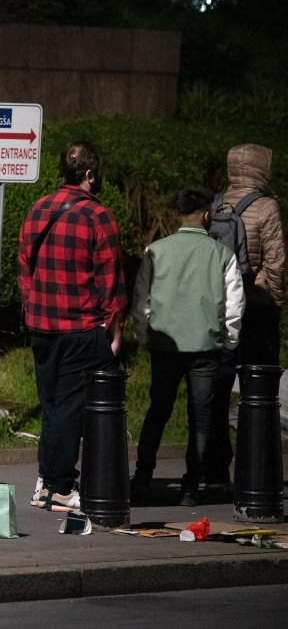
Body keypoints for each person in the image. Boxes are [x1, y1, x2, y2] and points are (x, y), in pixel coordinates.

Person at [17, 141, 126, 513]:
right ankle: (61, 486)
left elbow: (24, 271)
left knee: (52, 407)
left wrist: (33, 310)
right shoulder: (99, 216)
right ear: (90, 174)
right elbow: (110, 281)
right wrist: (114, 329)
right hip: (81, 326)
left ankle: (45, 482)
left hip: (41, 326)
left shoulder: (36, 210)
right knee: (69, 409)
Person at [130, 189, 244, 507]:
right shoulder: (222, 254)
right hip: (206, 346)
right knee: (202, 417)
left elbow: (141, 301)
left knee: (158, 411)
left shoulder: (156, 249)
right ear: (207, 214)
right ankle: (191, 486)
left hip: (165, 344)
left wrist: (145, 336)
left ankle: (142, 477)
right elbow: (234, 304)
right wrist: (228, 341)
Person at [208, 144, 285, 489]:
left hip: (220, 310)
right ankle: (257, 470)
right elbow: (277, 262)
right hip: (256, 310)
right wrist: (272, 299)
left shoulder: (215, 203)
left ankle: (214, 469)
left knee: (218, 390)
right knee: (259, 393)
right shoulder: (267, 206)